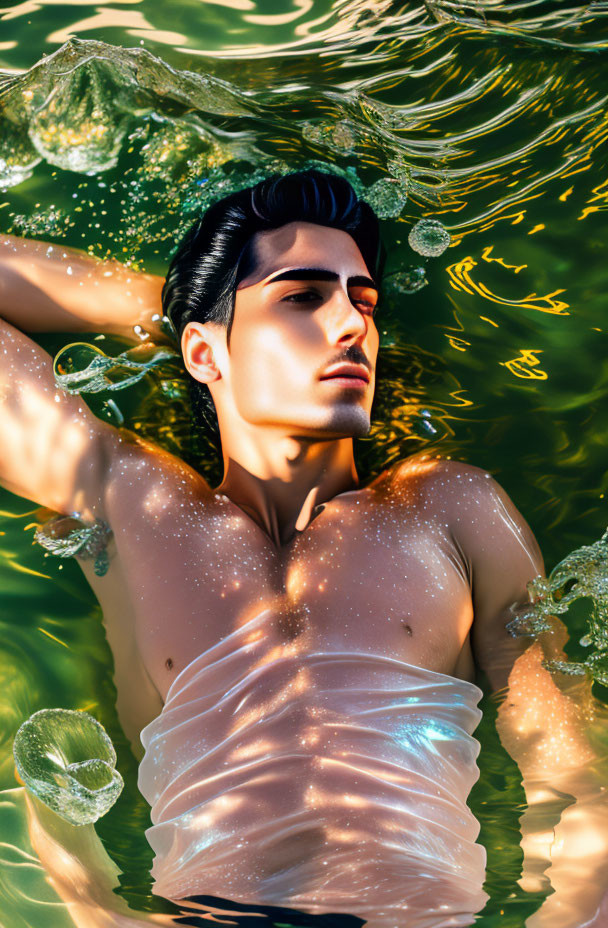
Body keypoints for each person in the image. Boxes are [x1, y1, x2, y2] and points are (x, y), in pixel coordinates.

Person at [2, 169, 608, 928]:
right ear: (203, 354)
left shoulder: (448, 509)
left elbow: (570, 769)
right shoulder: (134, 505)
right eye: (302, 297)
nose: (353, 324)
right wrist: (167, 306)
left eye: (363, 300)